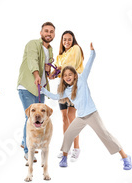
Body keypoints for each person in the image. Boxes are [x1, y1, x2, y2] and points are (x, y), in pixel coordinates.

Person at [41, 43, 132, 171]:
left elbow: (89, 64)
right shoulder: (66, 91)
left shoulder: (82, 80)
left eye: (70, 74)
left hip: (92, 114)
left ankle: (125, 157)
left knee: (105, 135)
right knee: (68, 135)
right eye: (65, 75)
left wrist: (92, 52)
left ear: (74, 75)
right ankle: (64, 157)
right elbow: (56, 96)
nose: (67, 77)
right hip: (81, 117)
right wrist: (43, 90)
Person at [17, 22, 56, 159]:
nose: (48, 34)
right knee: (30, 118)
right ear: (41, 33)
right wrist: (37, 75)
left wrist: (51, 74)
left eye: (51, 32)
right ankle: (28, 151)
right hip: (28, 86)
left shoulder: (50, 50)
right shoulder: (33, 44)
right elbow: (32, 61)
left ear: (54, 35)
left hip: (41, 89)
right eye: (46, 31)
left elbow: (47, 72)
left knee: (40, 117)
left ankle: (24, 142)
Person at [55, 30, 85, 162]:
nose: (67, 42)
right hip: (62, 87)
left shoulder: (76, 49)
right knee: (64, 118)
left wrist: (58, 71)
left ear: (73, 41)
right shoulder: (60, 55)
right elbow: (57, 71)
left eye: (69, 39)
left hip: (74, 87)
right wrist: (52, 73)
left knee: (72, 117)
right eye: (64, 39)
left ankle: (76, 148)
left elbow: (69, 69)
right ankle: (65, 149)